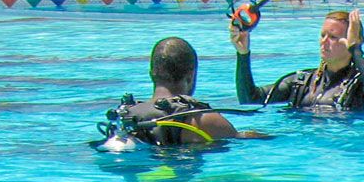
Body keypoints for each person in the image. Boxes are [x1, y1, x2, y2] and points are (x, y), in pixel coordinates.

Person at [104, 37, 260, 147]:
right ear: (191, 75)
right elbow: (238, 139)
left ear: (151, 74)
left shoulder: (126, 117)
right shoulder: (205, 120)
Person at [231, 7, 364, 112]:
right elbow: (249, 99)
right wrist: (243, 54)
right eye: (322, 35)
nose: (324, 41)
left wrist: (356, 49)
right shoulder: (301, 83)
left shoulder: (360, 86)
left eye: (333, 37)